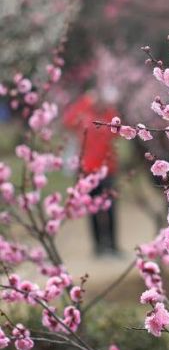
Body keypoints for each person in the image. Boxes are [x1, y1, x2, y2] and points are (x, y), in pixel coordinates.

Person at [63, 88, 119, 257]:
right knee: (92, 210)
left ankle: (113, 245)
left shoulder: (109, 115)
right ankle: (98, 246)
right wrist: (84, 102)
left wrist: (109, 109)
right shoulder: (84, 114)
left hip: (108, 169)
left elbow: (118, 130)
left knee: (111, 209)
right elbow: (68, 121)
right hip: (87, 170)